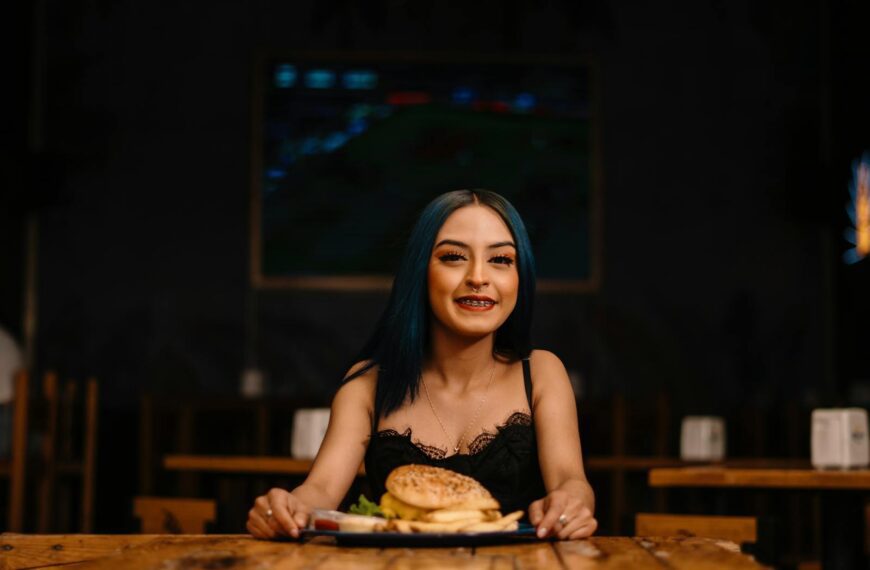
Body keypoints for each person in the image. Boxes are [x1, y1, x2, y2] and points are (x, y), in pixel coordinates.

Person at [247, 190, 596, 540]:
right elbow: (320, 490)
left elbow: (570, 480)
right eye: (454, 257)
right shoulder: (367, 383)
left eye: (501, 260)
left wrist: (572, 505)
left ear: (521, 276)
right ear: (420, 271)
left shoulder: (542, 372)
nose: (478, 276)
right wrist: (287, 509)